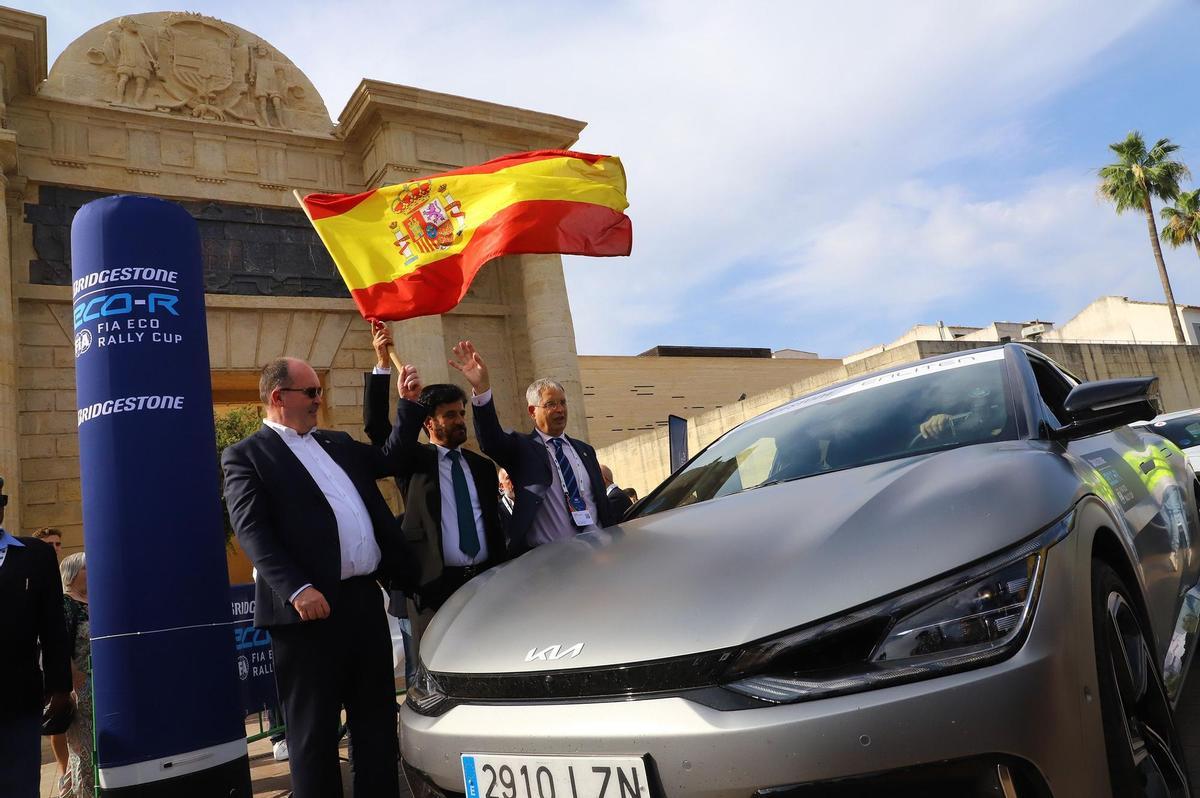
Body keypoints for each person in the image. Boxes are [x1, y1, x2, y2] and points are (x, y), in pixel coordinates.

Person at [222, 357, 417, 798]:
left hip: (364, 603)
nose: (318, 399)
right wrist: (296, 587)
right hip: (307, 612)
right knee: (314, 735)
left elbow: (393, 457)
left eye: (318, 391)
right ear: (278, 397)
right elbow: (252, 531)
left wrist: (405, 402)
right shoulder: (247, 456)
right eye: (310, 392)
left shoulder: (337, 443)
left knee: (376, 725)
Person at [365, 358, 507, 646]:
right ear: (429, 422)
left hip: (485, 584)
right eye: (450, 415)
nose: (459, 421)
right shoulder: (414, 463)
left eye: (461, 414)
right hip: (433, 590)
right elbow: (377, 428)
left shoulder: (481, 467)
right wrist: (382, 368)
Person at [449, 341, 618, 555]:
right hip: (551, 561)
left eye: (563, 402)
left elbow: (600, 503)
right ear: (532, 411)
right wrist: (482, 389)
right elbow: (490, 439)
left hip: (599, 552)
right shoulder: (522, 448)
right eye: (550, 404)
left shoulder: (585, 450)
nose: (560, 409)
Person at [0, 474, 72, 798]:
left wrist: (59, 687)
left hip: (18, 700)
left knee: (18, 787)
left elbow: (53, 625)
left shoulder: (35, 555)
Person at [33, 526, 70, 785]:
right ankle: (63, 769)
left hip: (68, 650)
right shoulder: (30, 574)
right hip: (42, 656)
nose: (54, 549)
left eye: (57, 544)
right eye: (49, 544)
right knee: (57, 718)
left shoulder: (67, 572)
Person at [59, 552, 93, 798]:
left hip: (101, 684)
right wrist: (73, 677)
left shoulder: (93, 600)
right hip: (79, 686)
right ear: (73, 574)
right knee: (82, 747)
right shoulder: (65, 603)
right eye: (86, 568)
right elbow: (59, 646)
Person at [497, 468, 516, 537]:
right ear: (501, 486)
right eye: (509, 477)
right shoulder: (497, 511)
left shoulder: (529, 501)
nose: (514, 480)